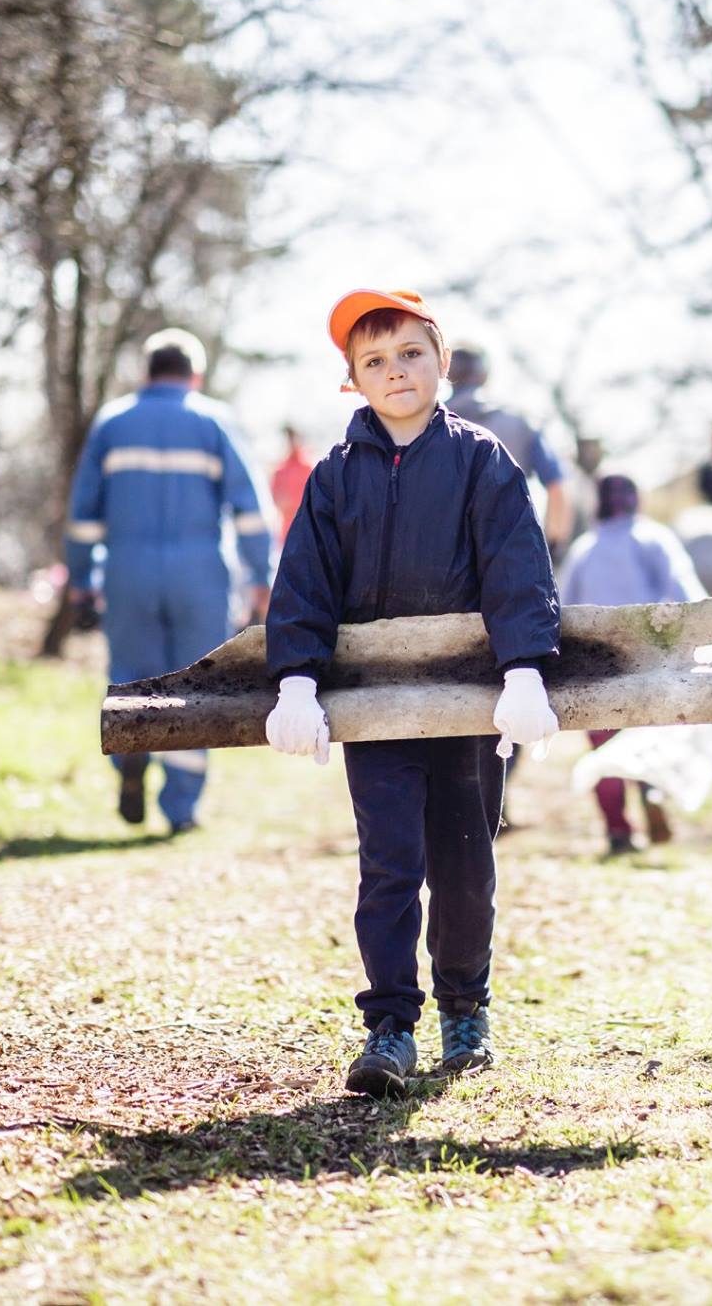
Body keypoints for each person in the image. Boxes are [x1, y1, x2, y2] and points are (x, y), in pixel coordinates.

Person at [262, 288, 562, 1098]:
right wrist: (296, 679)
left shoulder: (481, 460)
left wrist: (525, 666)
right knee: (389, 863)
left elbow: (514, 565)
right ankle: (390, 1024)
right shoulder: (335, 477)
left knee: (465, 863)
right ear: (352, 381)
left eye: (410, 355)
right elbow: (304, 584)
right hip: (378, 706)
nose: (395, 372)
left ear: (442, 361)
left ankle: (466, 1009)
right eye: (375, 361)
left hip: (470, 706)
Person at [64, 328, 272, 835]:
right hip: (199, 572)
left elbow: (83, 515)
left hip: (127, 570)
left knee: (132, 676)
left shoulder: (113, 422)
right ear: (194, 375)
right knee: (195, 686)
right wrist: (262, 575)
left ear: (147, 372)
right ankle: (181, 809)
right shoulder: (213, 420)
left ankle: (130, 760)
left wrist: (80, 576)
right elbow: (249, 509)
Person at [557, 474, 705, 853]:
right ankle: (651, 789)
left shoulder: (584, 548)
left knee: (604, 747)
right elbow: (686, 593)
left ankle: (618, 831)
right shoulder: (654, 538)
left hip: (596, 668)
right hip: (648, 662)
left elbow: (561, 607)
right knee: (649, 733)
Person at [444, 344, 571, 560]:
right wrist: (553, 544)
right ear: (484, 375)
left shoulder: (428, 422)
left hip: (445, 547)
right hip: (510, 544)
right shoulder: (522, 421)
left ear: (446, 372)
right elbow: (557, 486)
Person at [269, 424, 312, 544]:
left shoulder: (309, 467)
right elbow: (275, 497)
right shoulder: (280, 471)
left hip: (307, 530)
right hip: (287, 531)